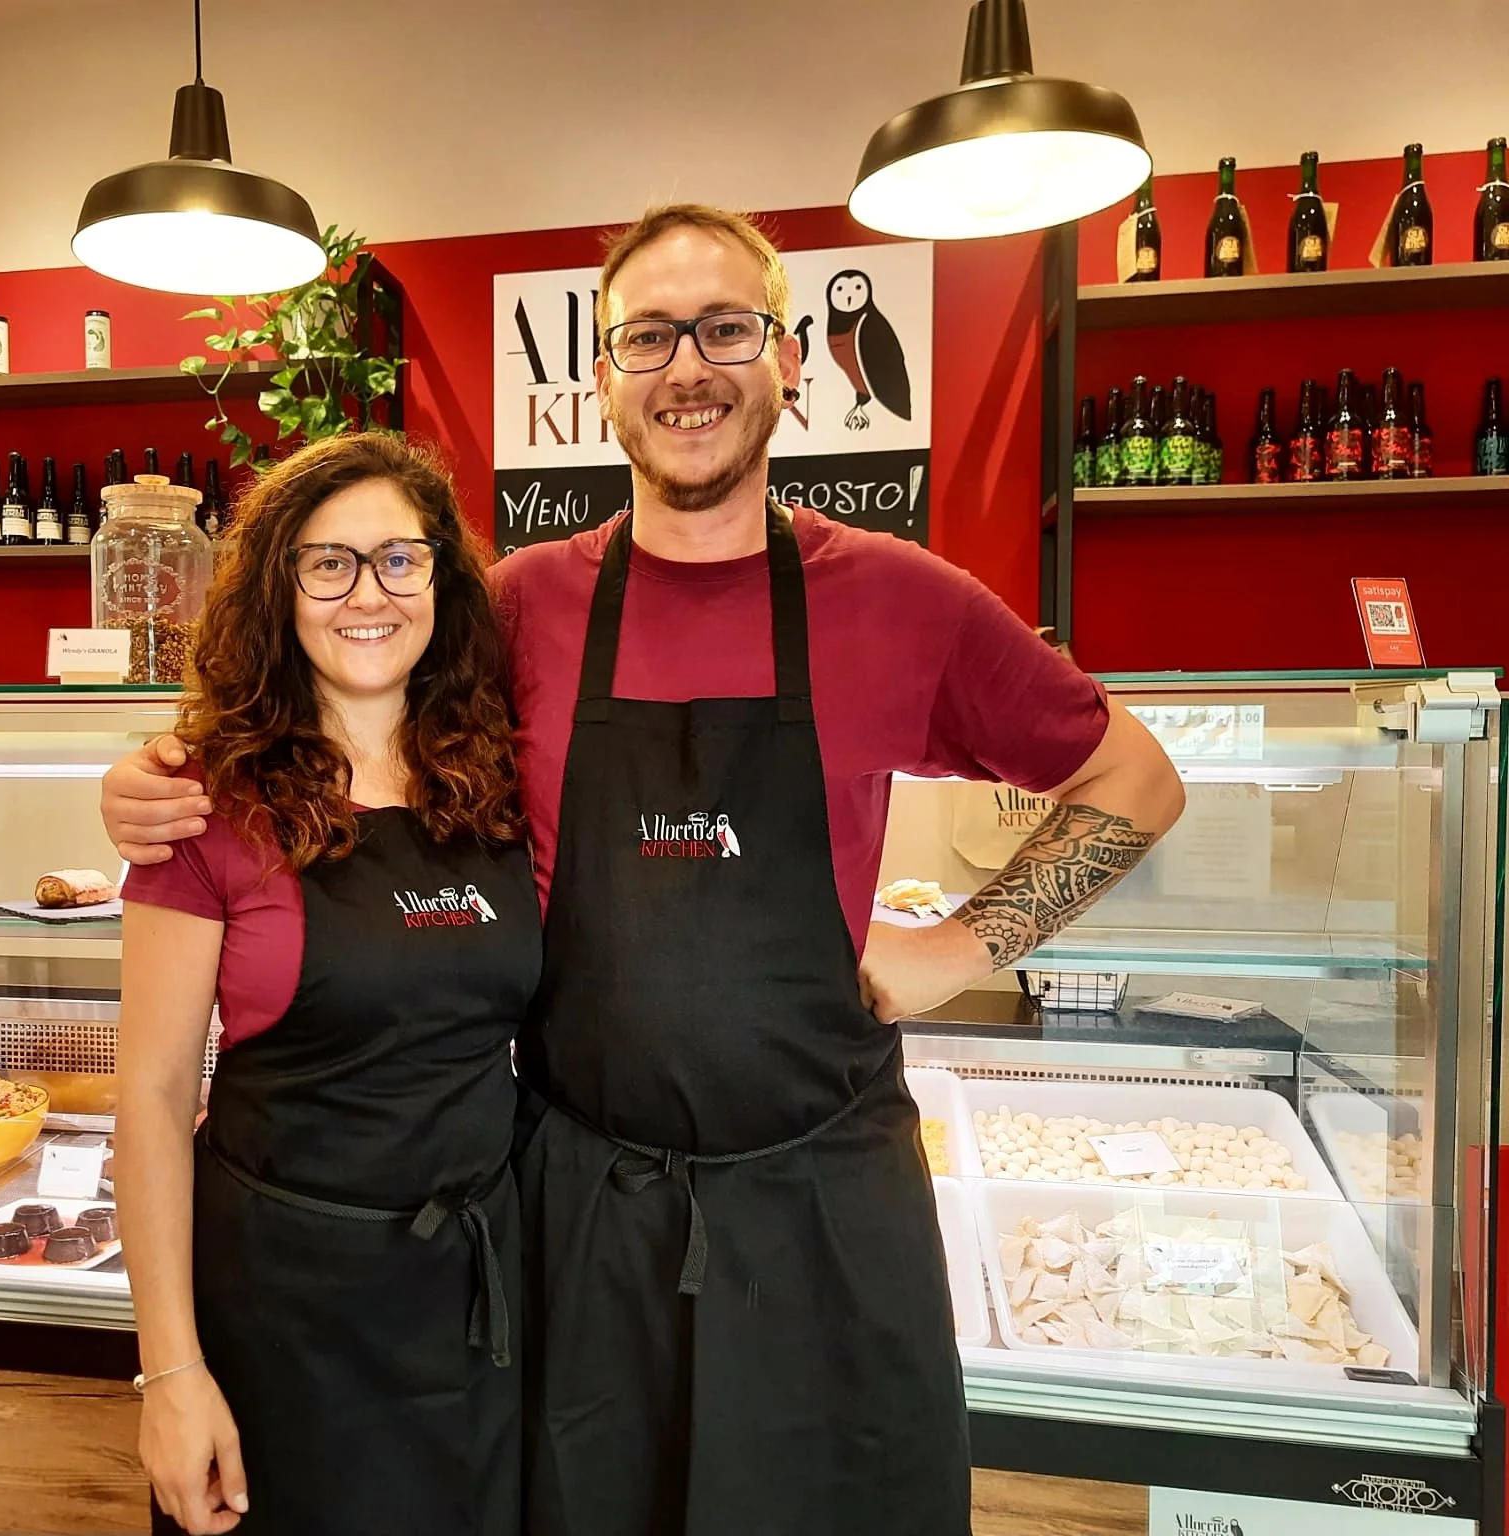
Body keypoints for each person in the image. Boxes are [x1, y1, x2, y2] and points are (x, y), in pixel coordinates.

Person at [104, 205, 1185, 1536]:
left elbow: (1137, 779)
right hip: (578, 1212)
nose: (689, 368)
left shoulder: (905, 601)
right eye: (650, 337)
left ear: (787, 359)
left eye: (726, 329)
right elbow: (330, 692)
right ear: (602, 378)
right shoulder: (513, 611)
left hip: (823, 1208)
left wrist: (957, 950)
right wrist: (166, 777)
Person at [113, 433, 540, 1536]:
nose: (369, 593)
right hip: (281, 1317)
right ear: (279, 589)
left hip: (473, 1307)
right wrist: (170, 1377)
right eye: (328, 563)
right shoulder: (203, 803)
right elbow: (153, 1099)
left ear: (440, 581)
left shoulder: (504, 778)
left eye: (400, 559)